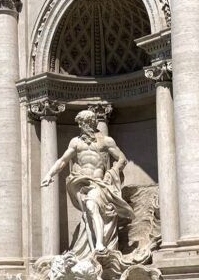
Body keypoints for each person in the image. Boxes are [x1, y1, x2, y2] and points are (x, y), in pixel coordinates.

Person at [41, 109, 133, 257]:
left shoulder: (106, 141)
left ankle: (99, 244)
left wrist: (111, 173)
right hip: (82, 184)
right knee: (88, 214)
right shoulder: (76, 142)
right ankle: (94, 246)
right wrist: (49, 174)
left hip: (98, 183)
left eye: (83, 123)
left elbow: (122, 158)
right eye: (80, 124)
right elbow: (63, 160)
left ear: (91, 123)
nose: (80, 126)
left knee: (91, 206)